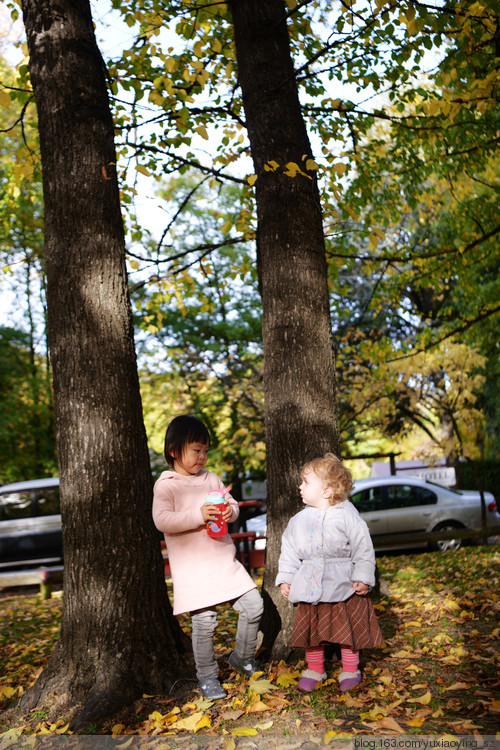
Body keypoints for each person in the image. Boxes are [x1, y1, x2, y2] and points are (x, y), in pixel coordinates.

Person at [153, 415, 263, 700]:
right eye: (196, 450)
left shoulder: (211, 478)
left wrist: (231, 512)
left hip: (223, 561)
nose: (202, 457)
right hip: (193, 569)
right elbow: (161, 520)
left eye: (205, 451)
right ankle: (207, 677)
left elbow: (232, 503)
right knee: (204, 623)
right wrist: (197, 515)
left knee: (253, 605)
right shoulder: (166, 485)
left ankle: (242, 656)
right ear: (174, 450)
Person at [276, 453, 382, 692]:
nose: (300, 486)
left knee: (348, 630)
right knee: (312, 630)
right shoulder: (298, 521)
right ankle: (314, 669)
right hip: (310, 583)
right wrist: (286, 578)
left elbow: (363, 549)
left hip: (344, 584)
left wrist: (363, 576)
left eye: (306, 482)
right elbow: (289, 551)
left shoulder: (348, 516)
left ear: (326, 490)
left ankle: (350, 669)